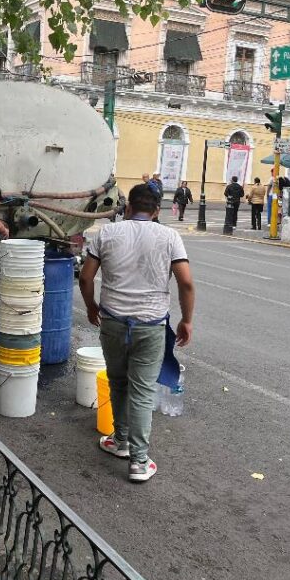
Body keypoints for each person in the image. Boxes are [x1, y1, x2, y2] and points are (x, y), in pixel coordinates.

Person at [78, 183, 195, 483]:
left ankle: (120, 441)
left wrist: (91, 306)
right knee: (142, 391)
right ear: (156, 211)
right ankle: (139, 462)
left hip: (113, 322)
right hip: (150, 325)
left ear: (128, 207)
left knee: (118, 383)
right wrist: (186, 320)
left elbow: (86, 277)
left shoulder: (107, 233)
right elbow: (185, 283)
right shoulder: (169, 237)